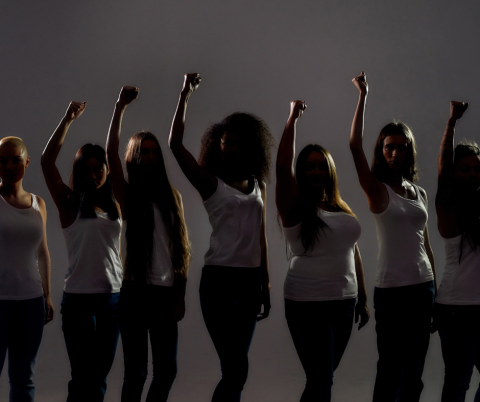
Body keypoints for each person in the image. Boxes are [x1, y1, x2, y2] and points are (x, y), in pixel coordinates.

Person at [169, 73, 273, 402]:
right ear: (219, 144)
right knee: (236, 368)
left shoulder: (259, 185)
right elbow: (174, 145)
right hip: (220, 282)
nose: (232, 148)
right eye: (227, 142)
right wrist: (185, 94)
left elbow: (261, 236)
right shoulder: (211, 183)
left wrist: (265, 285)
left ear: (249, 147)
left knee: (235, 373)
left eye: (239, 144)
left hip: (249, 282)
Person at [349, 72, 436, 402]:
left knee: (414, 374)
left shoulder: (419, 192)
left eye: (401, 147)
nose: (395, 153)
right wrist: (363, 95)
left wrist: (435, 290)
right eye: (389, 147)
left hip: (423, 287)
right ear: (382, 150)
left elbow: (424, 244)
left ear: (409, 151)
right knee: (390, 369)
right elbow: (354, 146)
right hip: (392, 292)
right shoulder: (377, 190)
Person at [276, 100, 369, 402]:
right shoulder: (294, 207)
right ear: (301, 172)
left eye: (322, 166)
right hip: (307, 303)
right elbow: (281, 167)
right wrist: (292, 120)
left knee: (321, 380)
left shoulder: (339, 207)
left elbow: (352, 251)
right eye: (309, 166)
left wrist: (363, 297)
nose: (316, 171)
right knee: (321, 380)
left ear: (330, 171)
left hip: (344, 303)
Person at [106, 86, 190, 402]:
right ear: (135, 157)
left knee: (166, 371)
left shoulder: (174, 199)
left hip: (166, 294)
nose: (151, 157)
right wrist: (120, 106)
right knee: (137, 372)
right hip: (135, 294)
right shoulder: (128, 196)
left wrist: (179, 296)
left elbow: (181, 251)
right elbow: (110, 153)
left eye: (155, 152)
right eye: (145, 152)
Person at [41, 101, 123, 402]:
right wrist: (67, 119)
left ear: (106, 169)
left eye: (98, 167)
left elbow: (112, 152)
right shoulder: (69, 203)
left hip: (114, 300)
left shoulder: (116, 204)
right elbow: (47, 162)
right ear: (79, 171)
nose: (93, 173)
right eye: (86, 169)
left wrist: (120, 107)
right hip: (78, 302)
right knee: (82, 379)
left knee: (98, 380)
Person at [0, 136, 54, 402]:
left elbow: (43, 253)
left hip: (31, 303)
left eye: (16, 160)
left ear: (27, 162)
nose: (9, 166)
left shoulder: (38, 204)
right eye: (3, 161)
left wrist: (47, 295)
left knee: (23, 379)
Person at [434, 101, 480, 402]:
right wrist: (451, 123)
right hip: (457, 309)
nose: (472, 174)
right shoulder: (448, 206)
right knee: (458, 384)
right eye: (465, 169)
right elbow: (444, 172)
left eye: (477, 169)